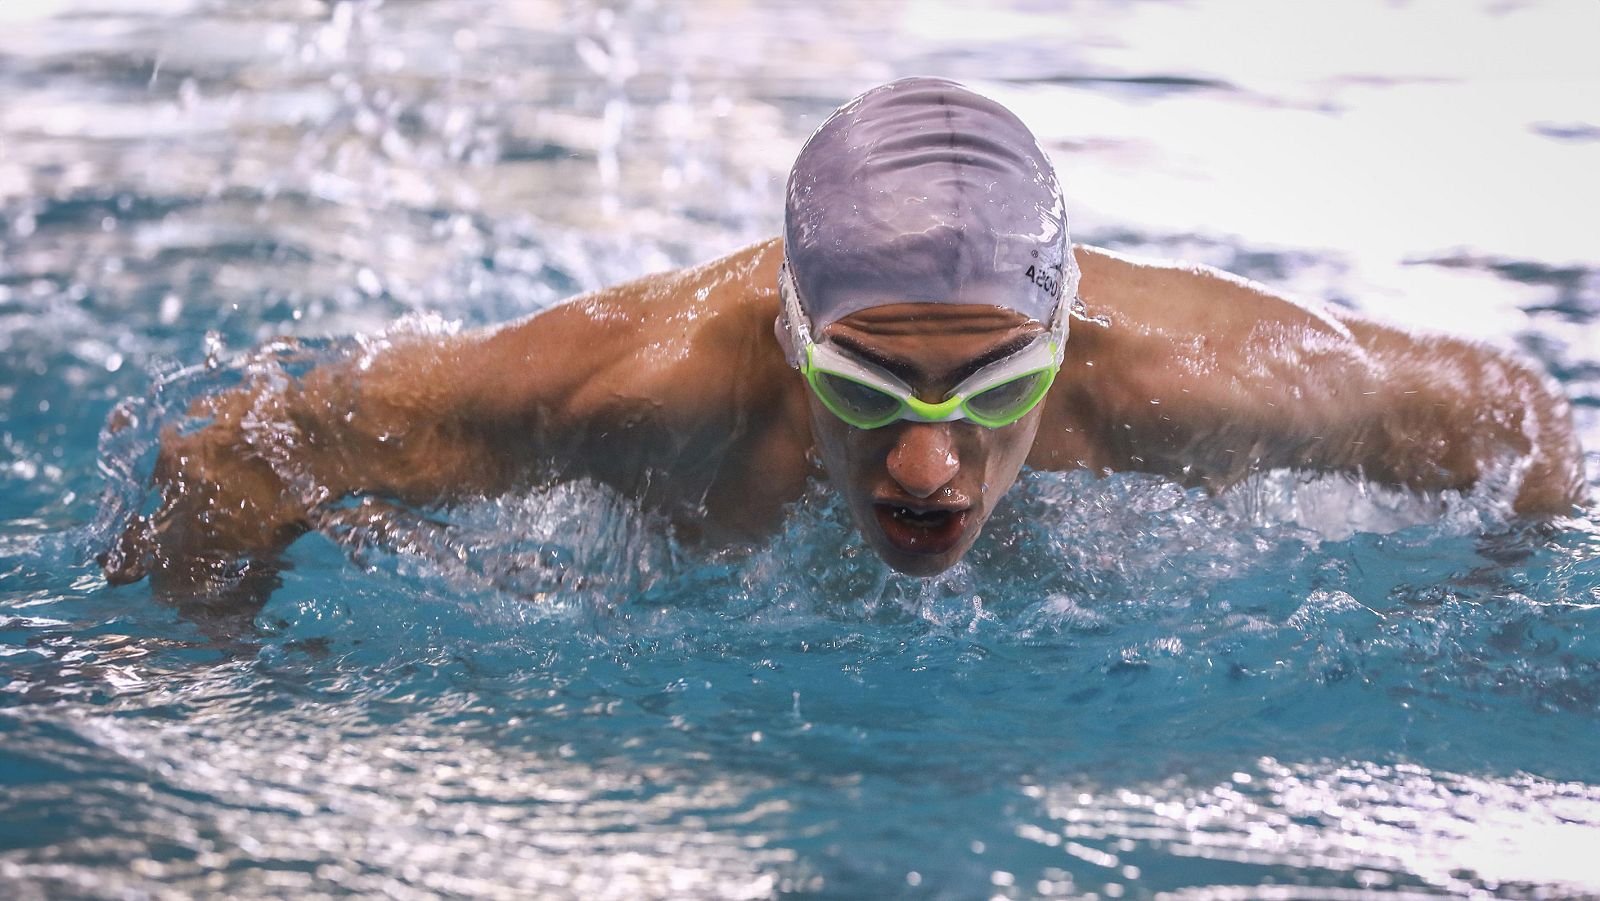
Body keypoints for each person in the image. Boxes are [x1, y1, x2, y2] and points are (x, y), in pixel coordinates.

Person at [102, 77, 1586, 591]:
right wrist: (205, 694)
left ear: (1063, 342)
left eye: (993, 379)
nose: (929, 461)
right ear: (791, 336)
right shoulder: (640, 383)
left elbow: (1514, 416)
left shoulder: (1203, 380)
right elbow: (241, 450)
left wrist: (1494, 614)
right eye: (867, 382)